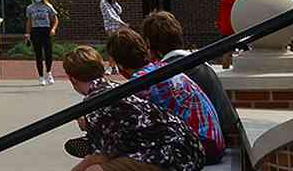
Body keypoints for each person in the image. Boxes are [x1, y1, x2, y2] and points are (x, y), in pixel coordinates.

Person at [62, 45, 205, 171]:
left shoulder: (95, 104)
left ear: (72, 79)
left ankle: (92, 140)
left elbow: (101, 157)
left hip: (174, 156)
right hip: (187, 147)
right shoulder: (114, 87)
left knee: (95, 170)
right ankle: (93, 140)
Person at [105, 28, 226, 164]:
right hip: (213, 142)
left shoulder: (141, 84)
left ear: (119, 63)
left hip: (200, 148)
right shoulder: (161, 69)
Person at [27, 0, 60, 85]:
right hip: (36, 31)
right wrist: (28, 33)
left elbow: (55, 19)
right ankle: (41, 76)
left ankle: (49, 73)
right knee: (38, 55)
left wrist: (53, 28)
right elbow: (29, 21)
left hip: (46, 30)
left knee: (48, 53)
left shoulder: (48, 6)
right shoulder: (30, 8)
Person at [216, 0, 242, 68]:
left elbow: (222, 15)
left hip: (225, 28)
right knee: (245, 48)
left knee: (227, 50)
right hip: (236, 28)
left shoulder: (224, 2)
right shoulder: (239, 1)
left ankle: (225, 67)